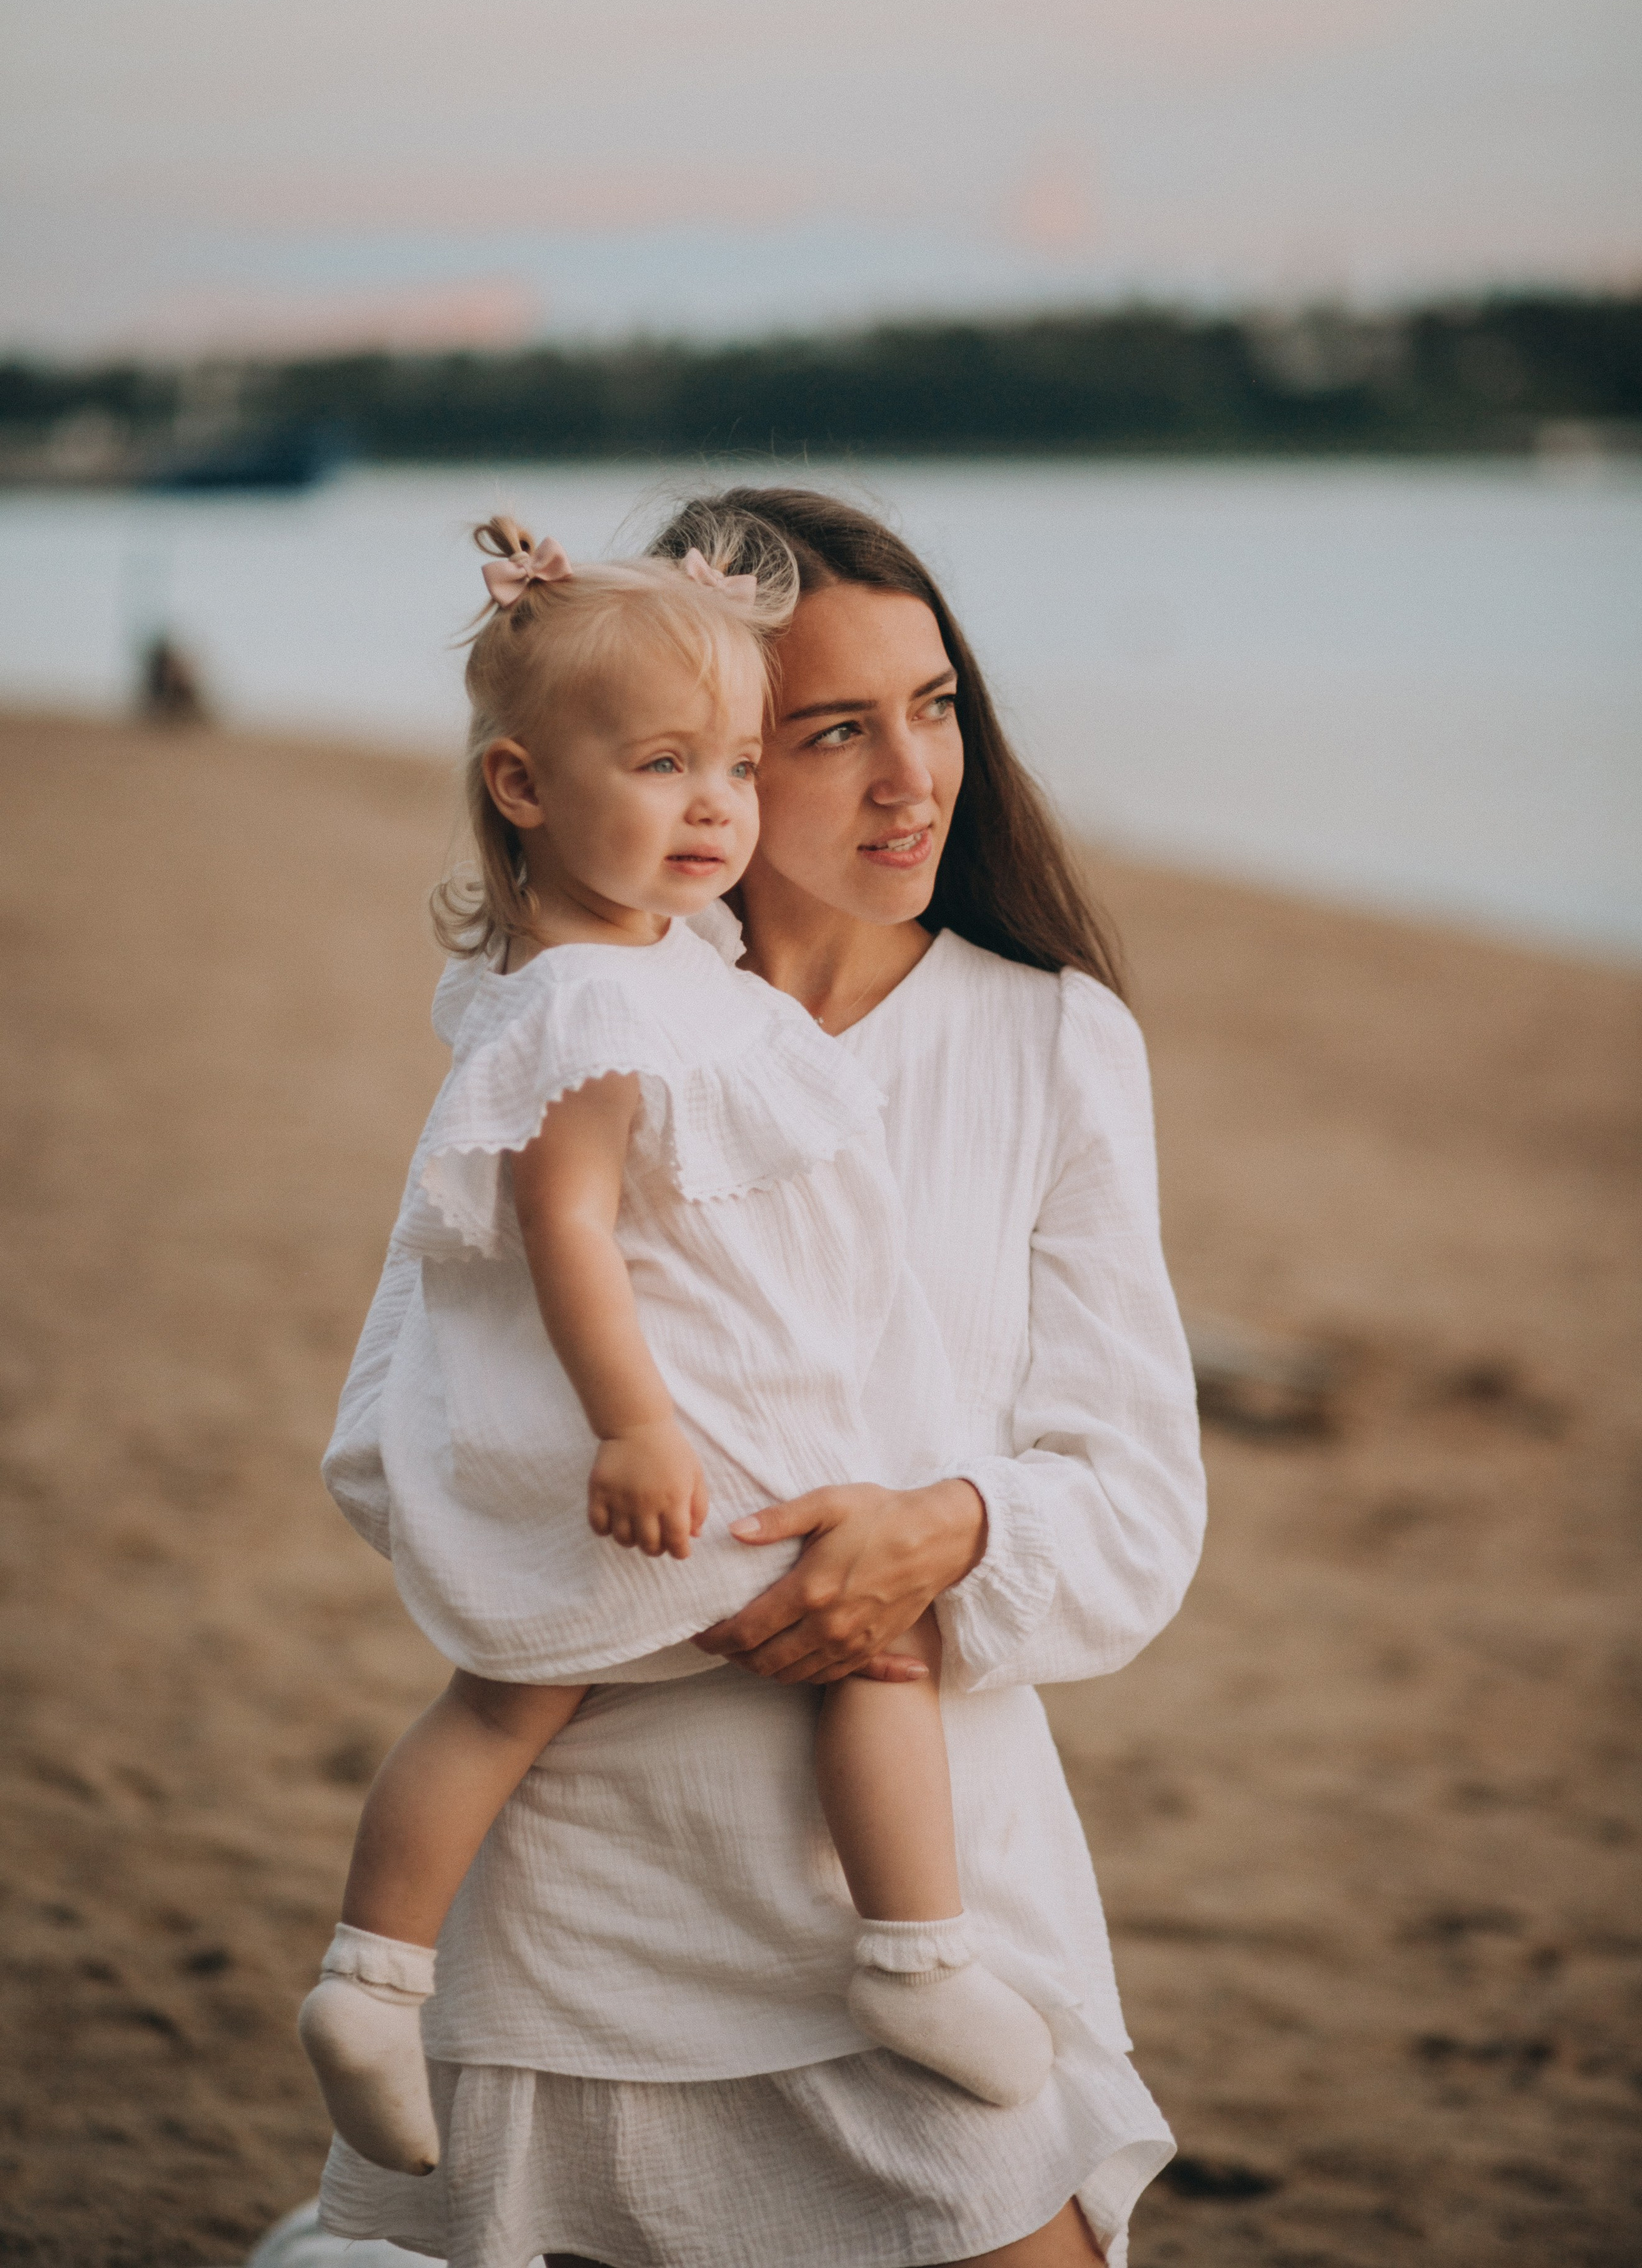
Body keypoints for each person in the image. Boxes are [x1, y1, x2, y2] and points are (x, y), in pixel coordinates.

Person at [316, 487, 1205, 2268]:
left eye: (936, 708)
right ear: (672, 751)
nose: (913, 778)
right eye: (832, 731)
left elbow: (1140, 1512)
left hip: (911, 1878)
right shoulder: (573, 1020)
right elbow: (381, 1444)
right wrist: (652, 1541)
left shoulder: (1049, 1041)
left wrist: (944, 1533)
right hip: (591, 1883)